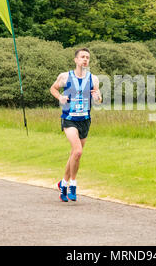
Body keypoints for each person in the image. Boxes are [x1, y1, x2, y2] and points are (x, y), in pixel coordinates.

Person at [50, 48, 102, 202]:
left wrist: (98, 97)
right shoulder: (65, 76)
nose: (85, 60)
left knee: (74, 154)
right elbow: (53, 88)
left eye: (87, 57)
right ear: (76, 60)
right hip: (69, 118)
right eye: (82, 57)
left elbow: (98, 98)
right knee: (78, 152)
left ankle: (62, 184)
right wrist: (60, 97)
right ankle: (73, 184)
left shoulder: (94, 79)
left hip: (85, 120)